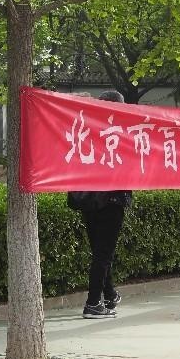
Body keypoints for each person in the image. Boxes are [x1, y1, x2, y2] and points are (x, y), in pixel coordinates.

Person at [70, 90, 132, 319]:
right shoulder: (123, 131)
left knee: (99, 252)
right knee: (103, 254)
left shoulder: (87, 127)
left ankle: (109, 295)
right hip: (112, 200)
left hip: (88, 199)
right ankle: (93, 303)